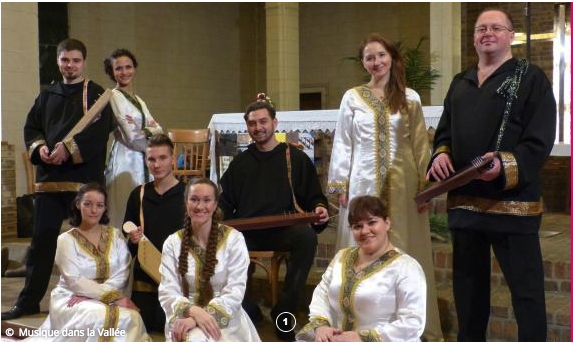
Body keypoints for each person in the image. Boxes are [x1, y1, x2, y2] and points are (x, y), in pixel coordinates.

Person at [426, 8, 556, 342]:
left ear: (511, 35)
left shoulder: (531, 78)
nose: (487, 33)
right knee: (468, 296)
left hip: (512, 205)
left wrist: (504, 165)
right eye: (481, 28)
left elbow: (539, 139)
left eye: (496, 28)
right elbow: (445, 134)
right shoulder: (461, 82)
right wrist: (441, 155)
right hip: (466, 206)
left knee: (526, 294)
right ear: (474, 38)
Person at [326, 33, 442, 341]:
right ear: (363, 63)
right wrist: (340, 184)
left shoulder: (411, 98)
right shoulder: (352, 97)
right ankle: (357, 319)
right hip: (362, 183)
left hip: (404, 186)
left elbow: (420, 147)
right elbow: (343, 141)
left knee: (405, 245)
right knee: (362, 241)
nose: (376, 62)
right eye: (369, 57)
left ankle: (409, 323)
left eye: (380, 55)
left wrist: (424, 188)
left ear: (391, 57)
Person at [2, 38, 114, 321]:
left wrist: (70, 149)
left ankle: (99, 300)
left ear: (83, 62)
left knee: (92, 243)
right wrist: (41, 148)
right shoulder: (46, 95)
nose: (70, 65)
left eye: (76, 60)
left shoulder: (97, 94)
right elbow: (32, 127)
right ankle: (28, 301)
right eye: (65, 60)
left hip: (83, 181)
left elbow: (100, 132)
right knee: (41, 242)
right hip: (49, 181)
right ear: (58, 61)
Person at [218, 94, 330, 341]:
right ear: (247, 127)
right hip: (247, 233)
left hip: (283, 230)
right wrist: (214, 214)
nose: (258, 128)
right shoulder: (240, 163)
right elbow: (225, 202)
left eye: (263, 121)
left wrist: (320, 208)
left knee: (306, 238)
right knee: (223, 243)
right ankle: (247, 309)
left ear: (275, 123)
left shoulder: (295, 158)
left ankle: (285, 311)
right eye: (252, 123)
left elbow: (314, 196)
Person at [24, 182, 149, 342]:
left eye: (100, 205)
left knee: (132, 316)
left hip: (107, 297)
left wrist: (101, 296)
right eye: (88, 204)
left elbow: (122, 273)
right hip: (72, 297)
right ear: (78, 204)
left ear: (105, 208)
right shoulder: (66, 239)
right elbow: (74, 280)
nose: (94, 210)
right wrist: (107, 296)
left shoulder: (116, 235)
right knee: (99, 316)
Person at [296, 195, 426, 342]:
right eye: (358, 226)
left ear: (387, 223)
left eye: (372, 222)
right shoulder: (342, 257)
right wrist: (322, 326)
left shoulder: (406, 267)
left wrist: (360, 337)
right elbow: (322, 294)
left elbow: (413, 323)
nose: (365, 231)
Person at [158, 178, 261, 342]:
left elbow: (235, 291)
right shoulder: (172, 243)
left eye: (207, 200)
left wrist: (200, 317)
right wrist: (192, 312)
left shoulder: (234, 239)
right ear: (186, 202)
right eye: (194, 199)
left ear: (215, 204)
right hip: (183, 316)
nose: (200, 206)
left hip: (226, 316)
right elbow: (168, 291)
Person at [124, 133, 186, 333]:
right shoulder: (139, 194)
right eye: (151, 159)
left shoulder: (187, 194)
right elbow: (127, 242)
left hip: (177, 277)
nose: (157, 164)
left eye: (162, 158)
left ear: (173, 158)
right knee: (139, 326)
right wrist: (132, 239)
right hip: (145, 278)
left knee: (171, 326)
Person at [104, 48, 163, 228]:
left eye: (128, 67)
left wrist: (144, 131)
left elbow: (159, 128)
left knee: (145, 207)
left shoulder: (138, 99)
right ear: (112, 72)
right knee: (124, 204)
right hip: (126, 157)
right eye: (119, 68)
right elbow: (130, 135)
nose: (124, 72)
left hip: (143, 155)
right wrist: (149, 135)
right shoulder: (113, 96)